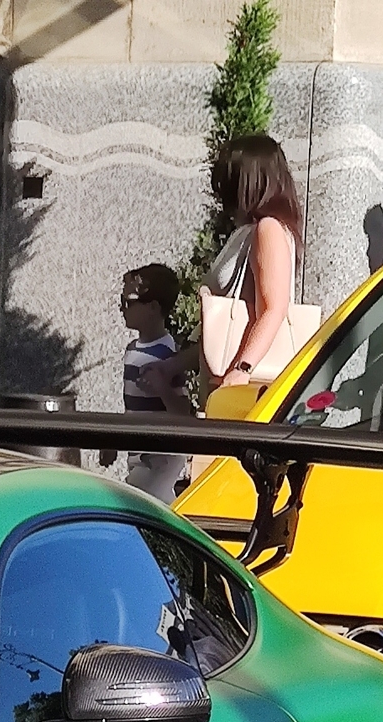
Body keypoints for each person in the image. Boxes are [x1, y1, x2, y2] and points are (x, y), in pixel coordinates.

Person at [205, 133, 304, 389]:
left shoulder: (268, 229)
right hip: (226, 379)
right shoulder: (251, 230)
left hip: (244, 384)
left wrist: (242, 369)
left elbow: (273, 309)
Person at [116, 262, 192, 502]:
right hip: (139, 455)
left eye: (129, 301)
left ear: (153, 307)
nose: (122, 308)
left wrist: (162, 388)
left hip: (159, 460)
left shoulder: (167, 356)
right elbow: (132, 411)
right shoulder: (133, 350)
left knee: (138, 505)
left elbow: (184, 415)